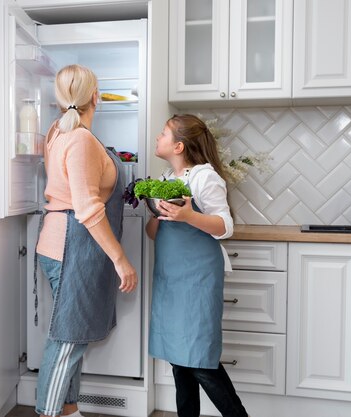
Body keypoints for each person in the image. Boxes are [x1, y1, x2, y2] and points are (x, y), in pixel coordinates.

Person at [34, 64, 138, 417]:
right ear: (96, 97)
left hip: (62, 243)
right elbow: (88, 209)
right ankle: (48, 412)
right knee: (67, 339)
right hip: (71, 246)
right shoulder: (79, 140)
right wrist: (120, 259)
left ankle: (68, 409)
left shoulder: (57, 132)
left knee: (73, 333)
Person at [146, 114, 249, 417]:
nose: (157, 138)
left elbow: (225, 225)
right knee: (180, 362)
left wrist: (188, 216)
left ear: (178, 146)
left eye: (163, 133)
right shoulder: (165, 180)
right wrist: (157, 213)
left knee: (201, 361)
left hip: (197, 279)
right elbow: (153, 233)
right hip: (171, 279)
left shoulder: (205, 177)